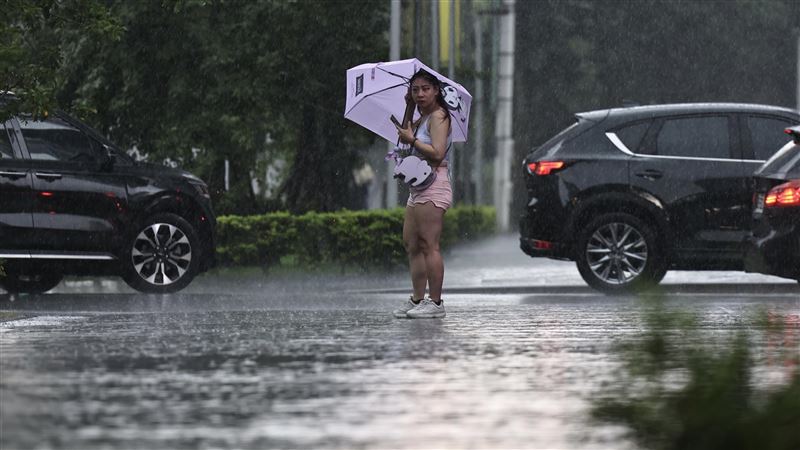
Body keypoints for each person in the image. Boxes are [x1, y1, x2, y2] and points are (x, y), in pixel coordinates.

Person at [392, 69, 453, 319]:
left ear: (436, 90)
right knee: (412, 243)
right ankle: (417, 299)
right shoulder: (421, 116)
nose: (420, 94)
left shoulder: (438, 116)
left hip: (434, 182)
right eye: (415, 90)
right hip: (417, 185)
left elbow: (437, 153)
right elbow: (405, 138)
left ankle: (436, 303)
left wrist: (414, 141)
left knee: (430, 244)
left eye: (425, 89)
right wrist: (407, 107)